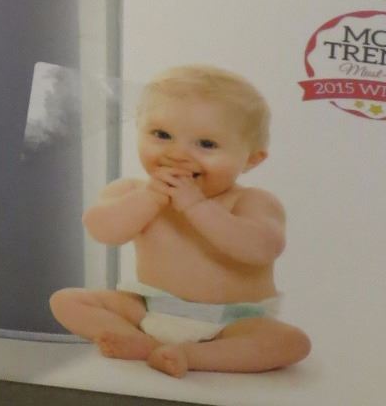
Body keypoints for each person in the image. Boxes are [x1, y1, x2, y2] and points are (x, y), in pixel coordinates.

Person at [50, 66, 311, 379]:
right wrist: (148, 198)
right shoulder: (132, 191)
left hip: (232, 320)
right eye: (161, 135)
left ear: (252, 159)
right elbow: (102, 230)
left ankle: (193, 355)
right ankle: (141, 343)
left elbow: (262, 249)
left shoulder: (252, 201)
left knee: (291, 343)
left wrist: (196, 206)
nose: (177, 154)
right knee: (67, 301)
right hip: (149, 307)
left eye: (206, 144)